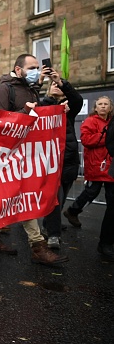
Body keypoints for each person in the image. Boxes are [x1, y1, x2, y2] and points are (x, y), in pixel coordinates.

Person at [0, 53, 68, 265]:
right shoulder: (5, 89)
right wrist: (25, 111)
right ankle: (33, 244)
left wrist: (55, 110)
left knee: (20, 197)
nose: (36, 72)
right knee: (11, 197)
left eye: (37, 67)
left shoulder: (31, 90)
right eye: (31, 68)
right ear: (18, 70)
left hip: (23, 155)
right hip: (5, 157)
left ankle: (29, 244)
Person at [63, 97, 114, 260]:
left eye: (106, 104)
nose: (104, 106)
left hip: (110, 165)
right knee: (91, 191)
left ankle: (74, 211)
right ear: (96, 107)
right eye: (100, 104)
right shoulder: (90, 121)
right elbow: (86, 140)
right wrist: (107, 136)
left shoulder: (111, 121)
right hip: (96, 164)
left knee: (110, 200)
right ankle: (73, 210)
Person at [40, 71, 83, 248]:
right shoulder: (43, 106)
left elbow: (77, 100)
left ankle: (48, 225)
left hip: (68, 160)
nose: (56, 86)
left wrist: (61, 81)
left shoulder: (69, 108)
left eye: (58, 86)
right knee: (55, 198)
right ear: (48, 90)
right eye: (53, 85)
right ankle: (53, 236)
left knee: (61, 198)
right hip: (51, 162)